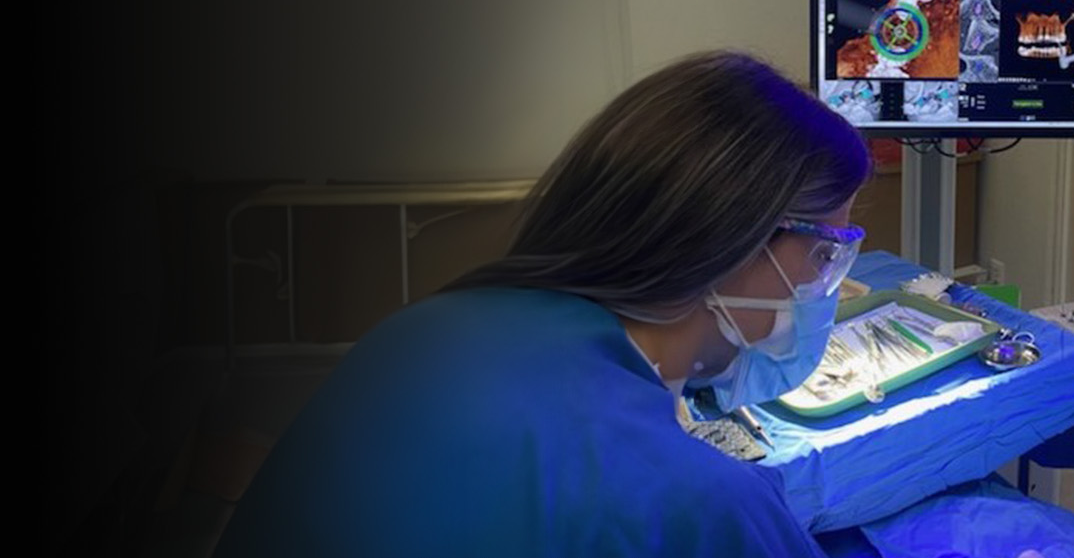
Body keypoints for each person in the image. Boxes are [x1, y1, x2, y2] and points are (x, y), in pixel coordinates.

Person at [212, 51, 873, 557]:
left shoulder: (424, 330)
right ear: (737, 241)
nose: (827, 287)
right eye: (824, 255)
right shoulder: (698, 506)